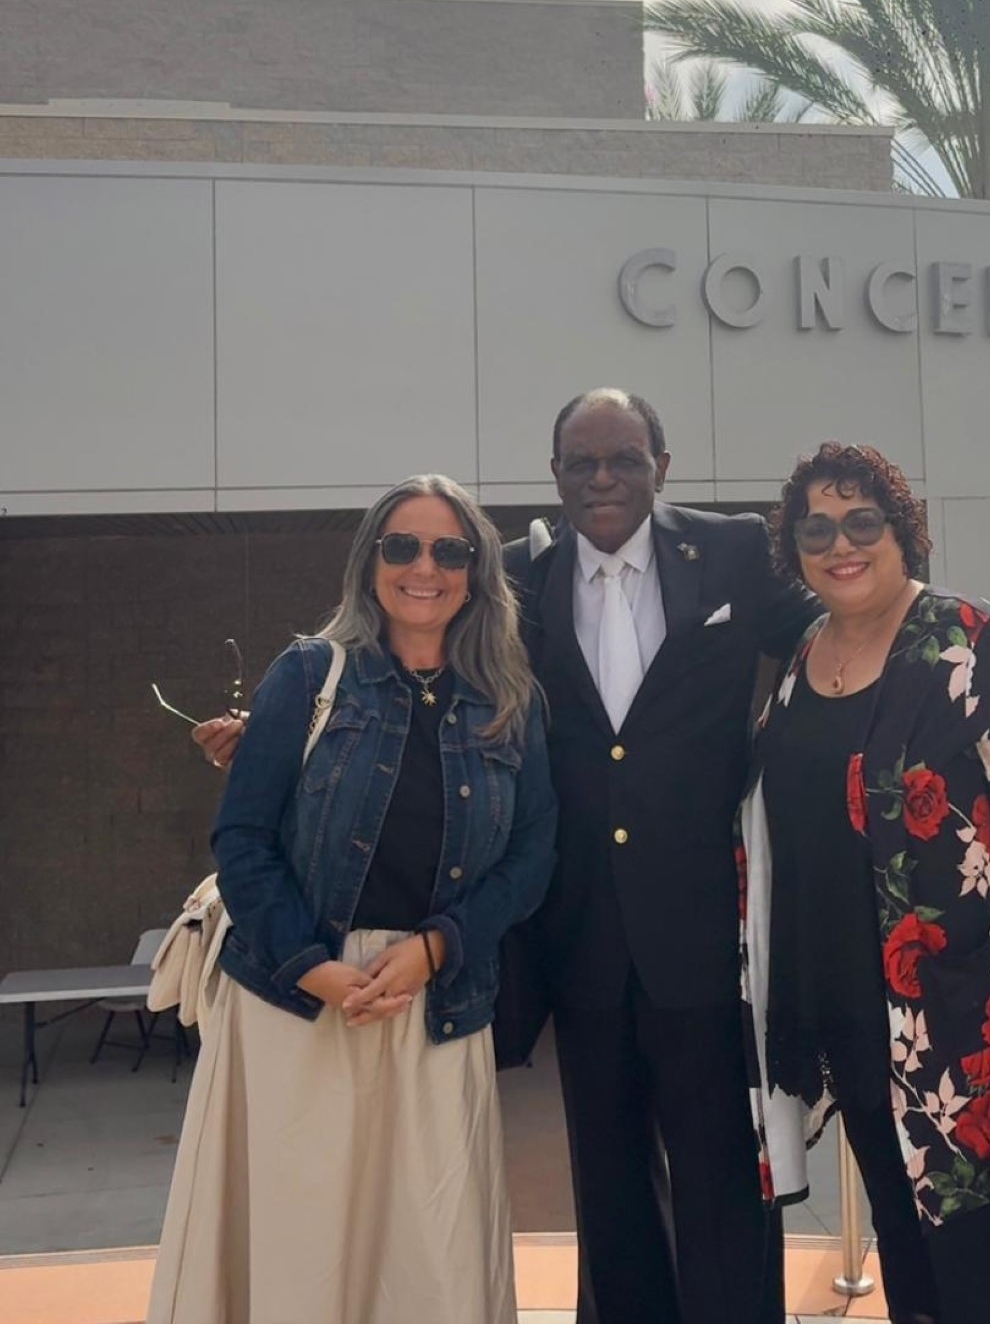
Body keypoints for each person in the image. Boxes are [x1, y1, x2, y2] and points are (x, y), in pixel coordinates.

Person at [151, 474, 556, 1324]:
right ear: (370, 560)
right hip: (298, 1002)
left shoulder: (509, 700)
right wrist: (314, 967)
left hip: (434, 1000)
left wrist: (436, 946)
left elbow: (530, 858)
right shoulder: (308, 674)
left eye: (450, 550)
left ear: (477, 572)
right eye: (401, 545)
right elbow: (244, 839)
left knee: (428, 1259)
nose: (424, 567)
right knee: (301, 1249)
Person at [741, 442, 990, 1324]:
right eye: (815, 529)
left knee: (979, 1263)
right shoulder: (804, 655)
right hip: (853, 1013)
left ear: (901, 529)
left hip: (973, 1018)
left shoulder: (975, 644)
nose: (841, 544)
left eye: (861, 521)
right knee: (905, 1245)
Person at [505, 388, 815, 1324]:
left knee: (725, 1180)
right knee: (609, 1189)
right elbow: (414, 651)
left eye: (624, 459)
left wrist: (956, 651)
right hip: (581, 938)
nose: (601, 478)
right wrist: (285, 716)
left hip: (705, 935)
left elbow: (836, 623)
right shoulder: (516, 576)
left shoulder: (731, 551)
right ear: (554, 472)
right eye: (581, 462)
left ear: (662, 467)